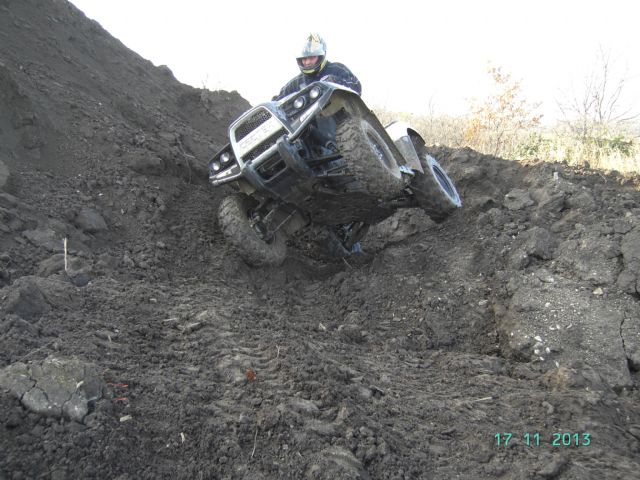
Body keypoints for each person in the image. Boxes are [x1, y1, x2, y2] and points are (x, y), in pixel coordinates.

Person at [273, 33, 362, 101]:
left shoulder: (337, 69)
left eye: (311, 57)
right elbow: (275, 104)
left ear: (320, 56)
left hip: (342, 116)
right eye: (304, 59)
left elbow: (357, 87)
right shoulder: (295, 84)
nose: (307, 62)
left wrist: (336, 81)